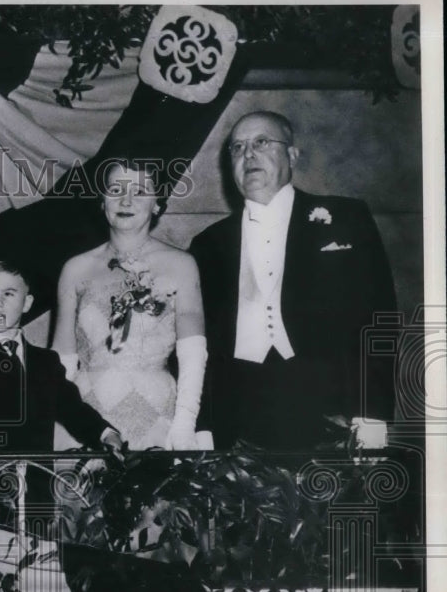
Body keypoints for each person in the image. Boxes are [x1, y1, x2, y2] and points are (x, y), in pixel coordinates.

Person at [188, 111, 397, 450]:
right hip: (236, 413)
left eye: (261, 142)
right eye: (237, 147)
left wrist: (372, 413)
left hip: (330, 409)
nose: (248, 154)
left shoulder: (346, 218)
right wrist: (203, 426)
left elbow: (379, 318)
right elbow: (202, 344)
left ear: (292, 155)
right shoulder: (208, 244)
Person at [52, 159, 208, 450]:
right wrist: (59, 423)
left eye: (139, 191)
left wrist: (185, 425)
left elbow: (193, 355)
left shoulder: (182, 265)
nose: (126, 200)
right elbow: (62, 362)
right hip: (86, 414)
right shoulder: (75, 269)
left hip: (156, 415)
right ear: (102, 201)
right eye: (115, 190)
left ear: (157, 204)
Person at [0, 260, 124, 455]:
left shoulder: (46, 362)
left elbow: (72, 409)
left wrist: (105, 434)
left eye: (8, 294)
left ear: (27, 303)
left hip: (38, 473)